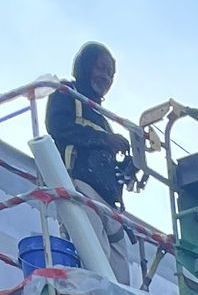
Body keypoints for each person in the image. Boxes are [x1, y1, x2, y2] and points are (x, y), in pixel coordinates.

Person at [45, 43, 139, 282]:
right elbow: (58, 127)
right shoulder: (68, 93)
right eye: (101, 68)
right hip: (81, 185)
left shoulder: (101, 116)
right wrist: (103, 139)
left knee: (120, 275)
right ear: (85, 66)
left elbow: (103, 156)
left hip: (109, 201)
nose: (106, 77)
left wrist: (126, 169)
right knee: (97, 259)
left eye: (110, 73)